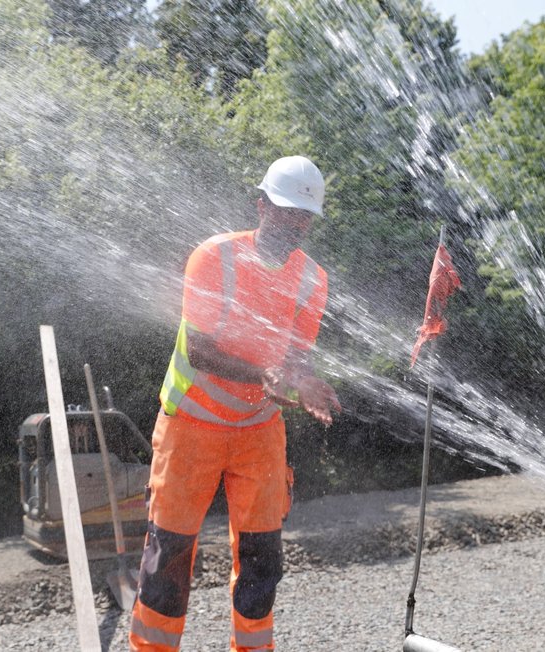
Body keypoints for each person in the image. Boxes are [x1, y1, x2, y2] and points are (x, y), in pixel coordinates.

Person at [129, 155, 342, 651]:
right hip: (191, 427)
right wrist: (269, 375)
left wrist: (305, 385)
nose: (296, 223)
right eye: (287, 210)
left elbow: (294, 361)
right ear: (261, 204)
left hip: (259, 431)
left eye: (305, 216)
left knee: (262, 556)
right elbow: (201, 350)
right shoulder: (214, 257)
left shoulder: (313, 280)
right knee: (170, 555)